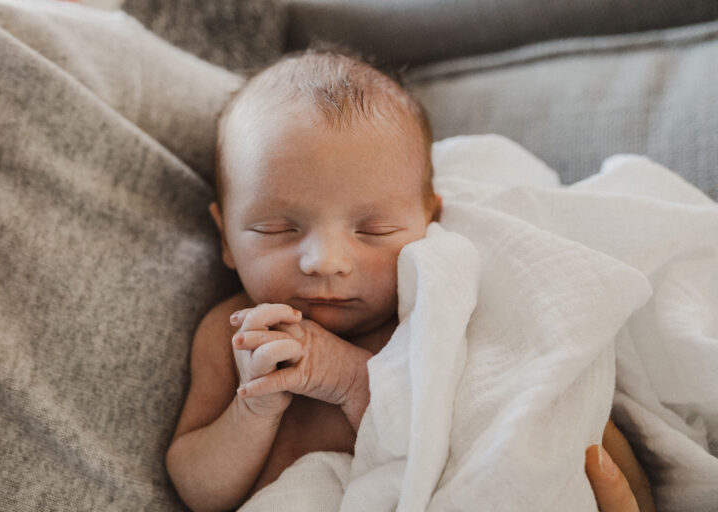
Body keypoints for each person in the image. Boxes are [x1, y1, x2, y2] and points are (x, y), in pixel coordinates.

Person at [165, 50, 654, 512]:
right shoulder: (234, 337)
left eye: (373, 229)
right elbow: (198, 490)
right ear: (225, 237)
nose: (326, 261)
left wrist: (354, 380)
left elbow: (541, 421)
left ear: (428, 220)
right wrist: (251, 412)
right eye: (277, 229)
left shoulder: (437, 317)